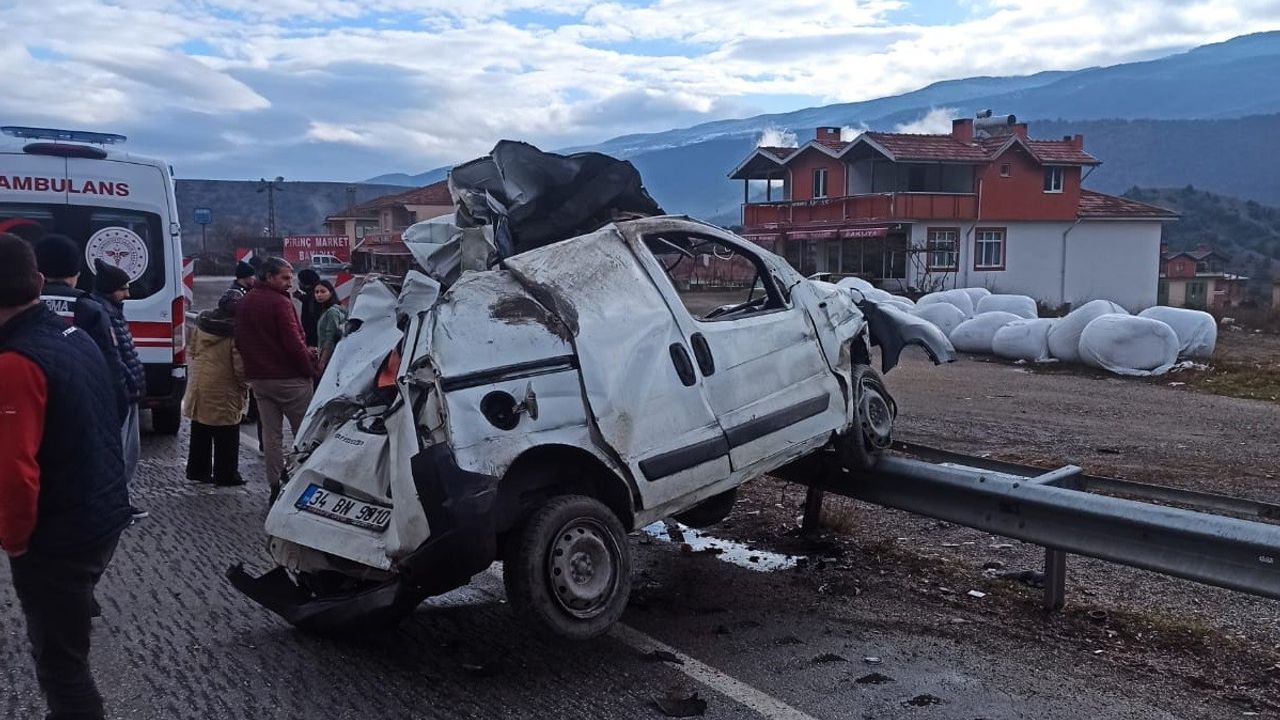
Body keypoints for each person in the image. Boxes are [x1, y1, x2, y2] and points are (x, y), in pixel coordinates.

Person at [0, 232, 132, 720]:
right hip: (99, 515)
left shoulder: (17, 362)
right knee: (66, 655)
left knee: (61, 667)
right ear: (37, 281)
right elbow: (113, 408)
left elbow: (15, 473)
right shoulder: (73, 334)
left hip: (59, 536)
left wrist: (14, 540)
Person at [34, 235, 145, 521]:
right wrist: (117, 406)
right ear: (76, 274)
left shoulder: (20, 305)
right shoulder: (87, 307)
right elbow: (109, 364)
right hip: (78, 405)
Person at [234, 257, 316, 503]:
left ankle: (274, 484)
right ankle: (304, 484)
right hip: (289, 378)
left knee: (271, 437)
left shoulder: (246, 300)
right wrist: (308, 368)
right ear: (269, 277)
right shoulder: (279, 303)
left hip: (260, 378)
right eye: (284, 277)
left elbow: (240, 340)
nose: (290, 283)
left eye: (290, 278)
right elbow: (293, 343)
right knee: (304, 434)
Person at [93, 260, 147, 507]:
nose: (128, 293)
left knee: (130, 451)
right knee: (121, 452)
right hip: (122, 392)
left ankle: (120, 498)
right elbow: (113, 356)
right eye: (123, 288)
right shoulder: (102, 314)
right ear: (108, 288)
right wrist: (127, 382)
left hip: (129, 391)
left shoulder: (111, 310)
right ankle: (116, 501)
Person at [183, 307, 248, 486]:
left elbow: (192, 350)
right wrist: (246, 384)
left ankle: (197, 471)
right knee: (227, 430)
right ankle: (226, 474)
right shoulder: (234, 332)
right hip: (224, 386)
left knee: (200, 427)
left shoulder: (202, 324)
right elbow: (240, 367)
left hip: (200, 383)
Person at [313, 278, 347, 376]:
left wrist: (322, 361)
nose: (319, 295)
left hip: (330, 358)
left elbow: (330, 338)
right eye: (316, 292)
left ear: (331, 293)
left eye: (323, 291)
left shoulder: (332, 312)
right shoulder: (326, 311)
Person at [295, 267, 321, 349]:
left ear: (306, 283)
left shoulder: (312, 297)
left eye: (300, 282)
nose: (298, 284)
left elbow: (312, 319)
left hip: (314, 339)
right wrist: (301, 297)